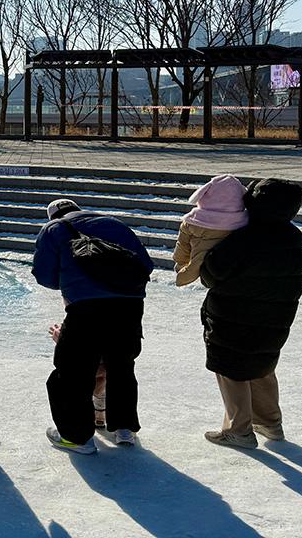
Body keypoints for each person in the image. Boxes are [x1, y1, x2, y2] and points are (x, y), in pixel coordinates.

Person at [32, 198, 152, 454]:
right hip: (129, 306)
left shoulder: (53, 230)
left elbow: (44, 275)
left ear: (52, 216)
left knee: (72, 372)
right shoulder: (116, 224)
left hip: (85, 307)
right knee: (121, 365)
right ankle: (124, 429)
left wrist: (72, 281)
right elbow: (146, 265)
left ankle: (76, 437)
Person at [200, 178, 302, 449]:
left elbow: (210, 273)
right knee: (262, 366)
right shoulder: (293, 236)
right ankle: (270, 422)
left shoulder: (244, 238)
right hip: (275, 319)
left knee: (231, 369)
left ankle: (238, 430)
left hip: (232, 317)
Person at [173, 175, 248, 287]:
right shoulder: (244, 222)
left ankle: (186, 275)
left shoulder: (192, 222)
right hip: (234, 272)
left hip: (205, 269)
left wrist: (180, 263)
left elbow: (182, 246)